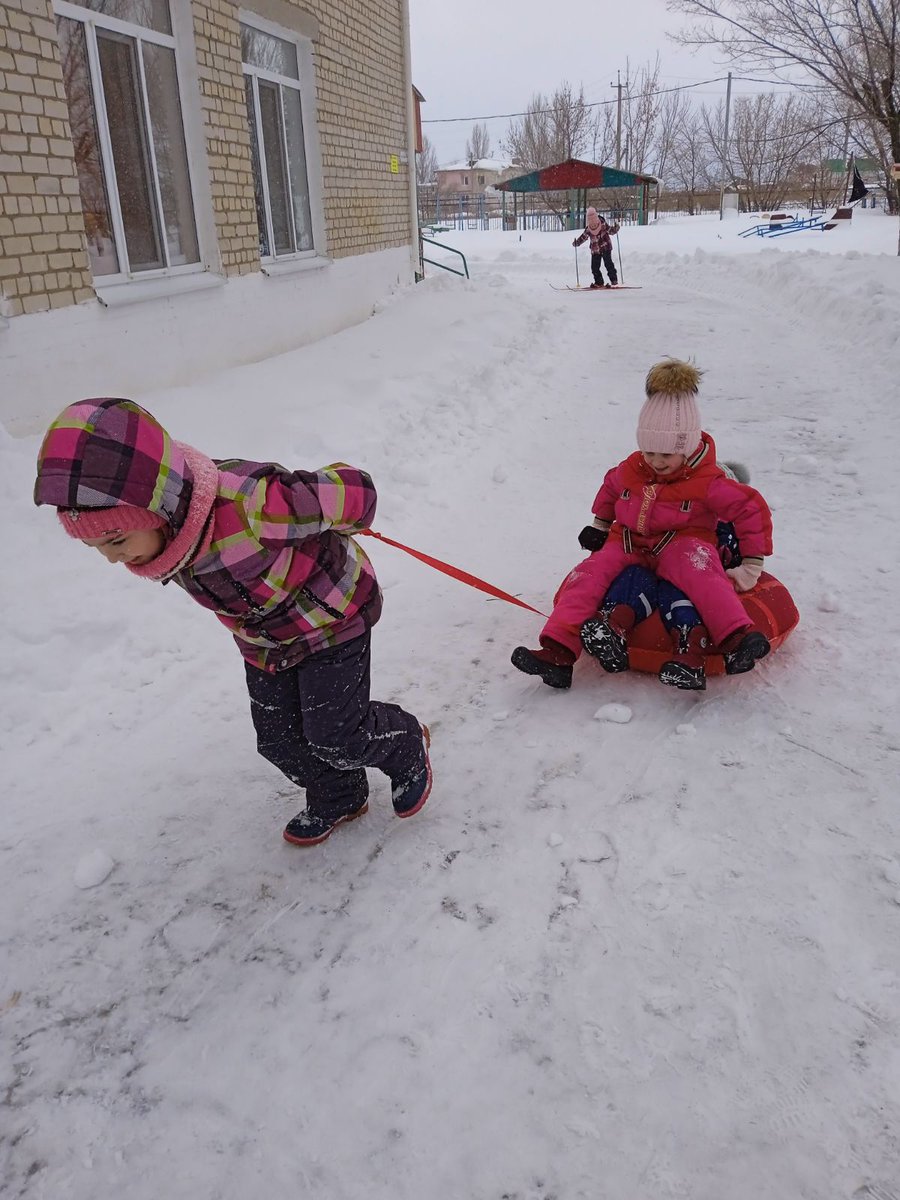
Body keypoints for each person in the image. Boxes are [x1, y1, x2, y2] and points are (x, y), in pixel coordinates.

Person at [33, 398, 432, 847]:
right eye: (97, 548)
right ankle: (340, 794)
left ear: (157, 509)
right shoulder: (170, 538)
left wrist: (349, 512)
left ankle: (404, 744)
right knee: (278, 740)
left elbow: (356, 490)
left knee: (336, 735)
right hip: (265, 642)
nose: (112, 558)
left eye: (117, 539)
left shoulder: (251, 504)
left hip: (330, 621)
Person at [511, 359, 773, 691]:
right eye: (649, 451)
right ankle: (558, 652)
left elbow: (750, 508)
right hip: (629, 541)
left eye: (667, 455)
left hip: (684, 541)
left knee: (702, 572)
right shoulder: (634, 467)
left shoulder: (707, 479)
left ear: (687, 447)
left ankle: (736, 637)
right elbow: (610, 487)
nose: (656, 462)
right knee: (587, 574)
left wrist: (752, 562)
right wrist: (600, 524)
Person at [573, 207, 620, 288]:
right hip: (595, 250)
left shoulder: (603, 224)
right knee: (594, 267)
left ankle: (614, 280)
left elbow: (610, 231)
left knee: (608, 264)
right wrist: (577, 242)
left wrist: (615, 229)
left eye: (594, 223)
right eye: (591, 224)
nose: (593, 225)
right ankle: (599, 282)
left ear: (597, 220)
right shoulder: (588, 229)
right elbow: (583, 237)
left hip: (606, 247)